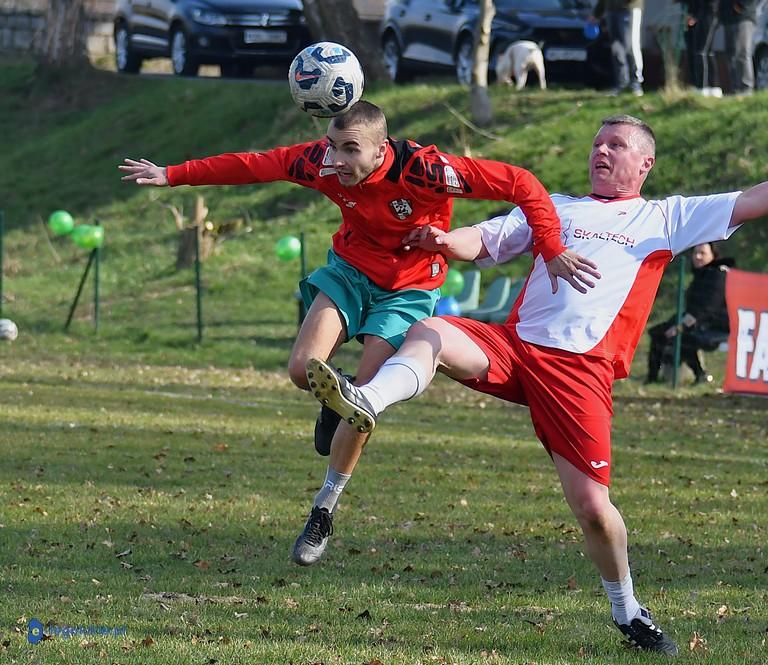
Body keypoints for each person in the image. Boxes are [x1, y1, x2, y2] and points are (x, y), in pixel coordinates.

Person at [301, 115, 768, 655]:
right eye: (598, 143)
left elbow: (754, 199)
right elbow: (485, 238)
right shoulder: (554, 207)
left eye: (616, 145)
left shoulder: (666, 217)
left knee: (593, 508)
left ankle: (628, 610)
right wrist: (444, 241)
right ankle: (364, 398)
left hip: (579, 374)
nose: (601, 151)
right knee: (432, 330)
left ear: (644, 164)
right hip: (516, 348)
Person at [118, 100, 599, 565]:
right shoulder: (321, 163)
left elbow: (524, 184)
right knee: (299, 371)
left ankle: (323, 509)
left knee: (363, 407)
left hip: (408, 289)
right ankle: (334, 391)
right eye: (331, 145)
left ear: (379, 148)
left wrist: (551, 247)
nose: (336, 159)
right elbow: (254, 165)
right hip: (350, 272)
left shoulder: (427, 170)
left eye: (349, 149)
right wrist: (172, 174)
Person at [647, 241, 733, 384]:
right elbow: (692, 309)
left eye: (703, 253)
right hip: (696, 322)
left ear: (713, 256)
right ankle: (652, 379)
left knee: (682, 337)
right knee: (658, 333)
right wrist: (673, 324)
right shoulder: (700, 275)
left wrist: (680, 327)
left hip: (715, 326)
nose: (698, 257)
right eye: (695, 253)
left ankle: (701, 375)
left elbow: (706, 310)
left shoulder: (718, 276)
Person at [591, 0, 645, 96]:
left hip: (629, 8)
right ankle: (621, 83)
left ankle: (636, 83)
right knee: (616, 48)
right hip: (611, 10)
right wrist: (597, 13)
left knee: (631, 46)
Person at [684, 0, 723, 96]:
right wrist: (693, 14)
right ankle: (713, 86)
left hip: (710, 14)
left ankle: (702, 86)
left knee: (702, 51)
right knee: (707, 52)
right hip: (702, 14)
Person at [721, 0, 758, 95]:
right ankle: (735, 88)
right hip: (728, 17)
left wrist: (740, 5)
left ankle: (746, 88)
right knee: (731, 55)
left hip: (743, 16)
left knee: (742, 53)